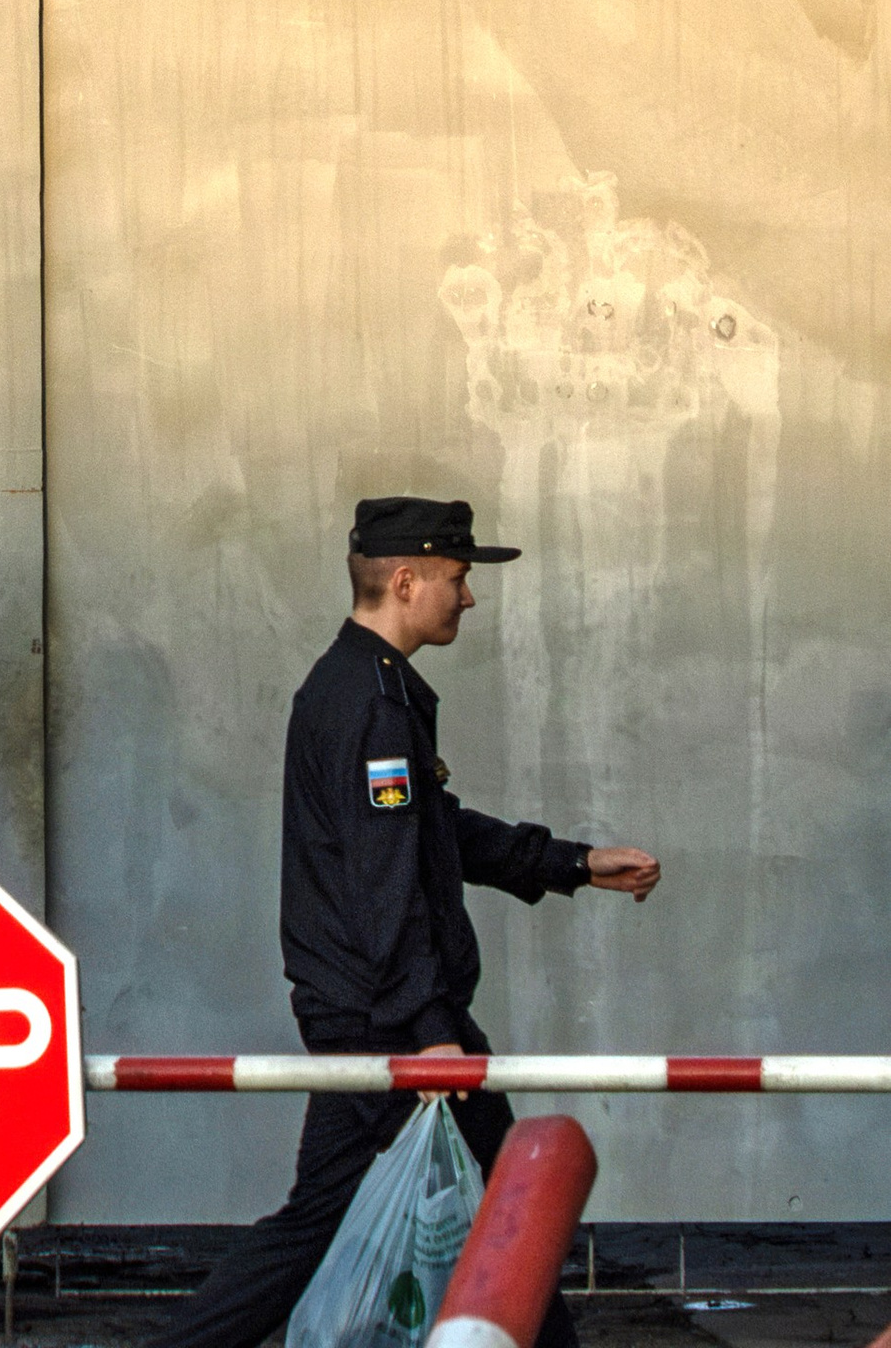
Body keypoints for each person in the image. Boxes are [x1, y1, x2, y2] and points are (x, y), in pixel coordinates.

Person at [159, 497, 662, 1348]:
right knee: (511, 1207)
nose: (469, 599)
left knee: (318, 1223)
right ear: (405, 580)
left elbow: (431, 833)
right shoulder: (370, 705)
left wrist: (571, 863)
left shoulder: (365, 688)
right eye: (458, 579)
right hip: (386, 1018)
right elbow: (383, 882)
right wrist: (430, 1032)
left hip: (371, 1010)